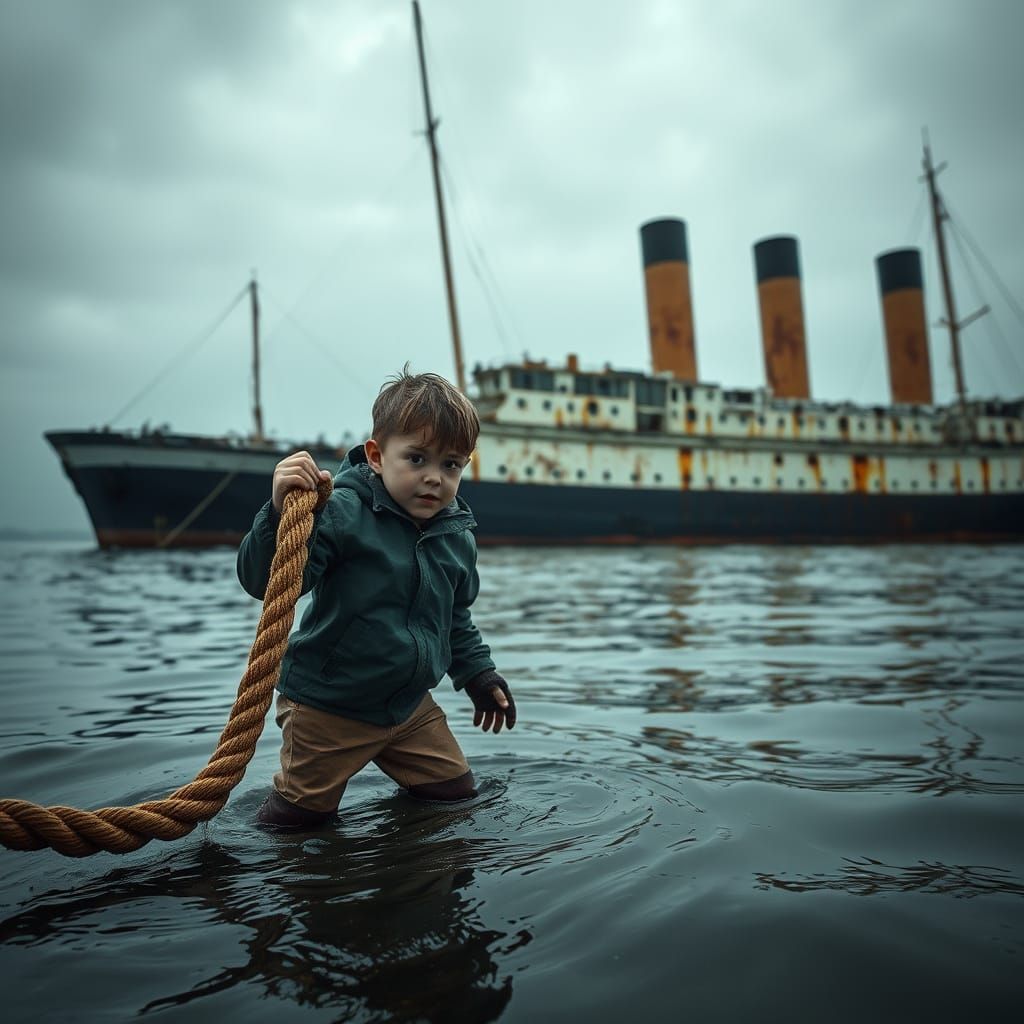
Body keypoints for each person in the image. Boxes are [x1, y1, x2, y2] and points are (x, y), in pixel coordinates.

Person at [237, 369, 515, 830]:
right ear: (376, 456)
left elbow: (454, 620)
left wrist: (479, 675)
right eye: (417, 458)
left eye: (451, 465)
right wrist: (278, 513)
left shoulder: (457, 537)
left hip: (407, 707)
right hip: (329, 706)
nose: (434, 478)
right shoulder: (341, 514)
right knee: (296, 824)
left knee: (454, 796)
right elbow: (265, 583)